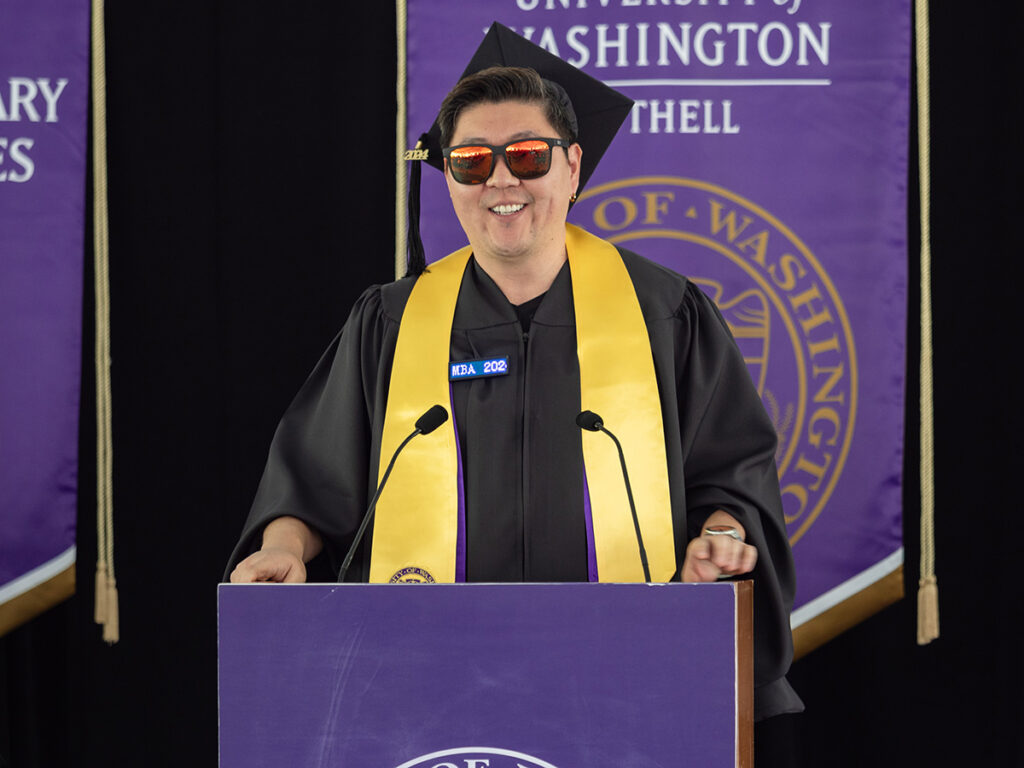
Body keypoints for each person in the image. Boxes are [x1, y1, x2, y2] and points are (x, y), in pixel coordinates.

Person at [226, 23, 802, 721]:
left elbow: (732, 475)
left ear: (572, 167)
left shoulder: (665, 314)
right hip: (428, 685)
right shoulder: (392, 322)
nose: (501, 179)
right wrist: (283, 548)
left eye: (527, 156)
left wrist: (724, 537)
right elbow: (313, 481)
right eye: (470, 161)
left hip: (624, 683)